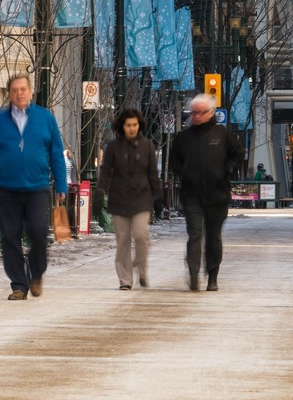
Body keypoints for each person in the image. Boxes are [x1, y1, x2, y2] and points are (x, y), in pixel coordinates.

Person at [0, 74, 69, 300]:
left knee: (38, 232)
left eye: (23, 89)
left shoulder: (45, 118)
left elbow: (56, 154)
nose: (19, 93)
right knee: (10, 237)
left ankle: (36, 273)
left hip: (37, 187)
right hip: (6, 189)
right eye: (14, 90)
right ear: (9, 94)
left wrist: (61, 185)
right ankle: (19, 284)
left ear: (30, 92)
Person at [167, 93, 243, 290]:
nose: (197, 116)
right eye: (194, 112)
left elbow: (237, 154)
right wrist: (183, 171)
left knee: (213, 236)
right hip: (192, 193)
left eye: (201, 112)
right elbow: (174, 160)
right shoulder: (183, 138)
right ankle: (193, 274)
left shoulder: (223, 134)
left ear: (211, 113)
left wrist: (227, 169)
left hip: (218, 194)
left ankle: (212, 275)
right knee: (195, 234)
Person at [101, 108, 160, 289]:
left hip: (142, 198)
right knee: (123, 239)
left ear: (139, 125)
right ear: (122, 126)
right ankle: (125, 280)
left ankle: (141, 268)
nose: (132, 128)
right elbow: (105, 171)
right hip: (119, 198)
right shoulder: (112, 147)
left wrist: (158, 195)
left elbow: (152, 173)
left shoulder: (147, 146)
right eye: (128, 125)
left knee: (141, 235)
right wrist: (100, 190)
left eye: (134, 125)